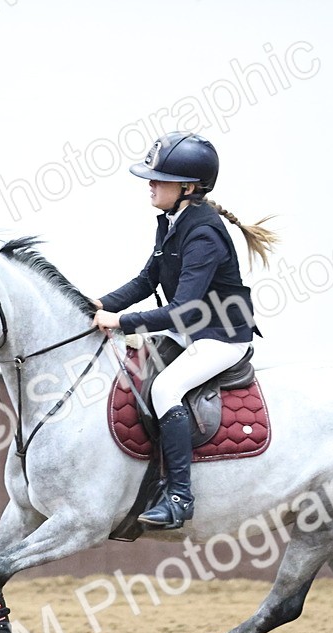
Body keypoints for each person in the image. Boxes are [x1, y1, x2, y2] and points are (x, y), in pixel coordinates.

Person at [92, 131, 278, 529]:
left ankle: (179, 497)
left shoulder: (204, 233)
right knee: (129, 372)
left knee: (164, 388)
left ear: (188, 187)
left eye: (159, 179)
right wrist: (100, 305)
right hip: (191, 330)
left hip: (220, 336)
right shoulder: (173, 222)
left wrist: (122, 322)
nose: (151, 184)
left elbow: (183, 309)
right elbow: (145, 281)